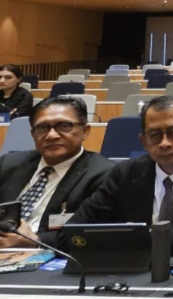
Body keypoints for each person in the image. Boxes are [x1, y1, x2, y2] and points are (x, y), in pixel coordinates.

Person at [61, 96, 173, 256]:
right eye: (154, 135)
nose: (164, 143)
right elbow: (73, 231)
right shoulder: (125, 173)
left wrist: (140, 236)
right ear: (144, 141)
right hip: (135, 268)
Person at [0, 97, 114, 248]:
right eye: (42, 128)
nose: (51, 135)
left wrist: (35, 241)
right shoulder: (8, 164)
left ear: (85, 131)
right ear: (33, 134)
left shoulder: (104, 174)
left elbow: (91, 233)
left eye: (64, 126)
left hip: (52, 254)